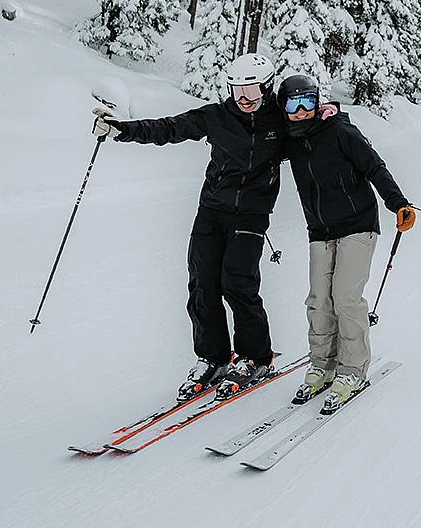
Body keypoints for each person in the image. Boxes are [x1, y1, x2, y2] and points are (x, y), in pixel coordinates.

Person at [91, 53, 288, 401]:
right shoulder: (217, 117)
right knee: (202, 285)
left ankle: (255, 358)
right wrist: (121, 130)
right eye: (237, 88)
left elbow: (316, 137)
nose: (243, 97)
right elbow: (170, 127)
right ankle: (213, 358)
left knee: (238, 283)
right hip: (211, 212)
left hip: (252, 217)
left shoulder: (279, 124)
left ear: (267, 88)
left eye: (252, 90)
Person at [277, 73, 416, 412]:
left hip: (358, 224)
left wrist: (398, 203)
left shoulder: (340, 130)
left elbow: (375, 167)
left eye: (307, 102)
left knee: (346, 298)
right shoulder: (289, 139)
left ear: (317, 102)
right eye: (292, 104)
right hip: (320, 229)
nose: (300, 110)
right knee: (318, 300)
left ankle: (352, 369)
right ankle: (322, 365)